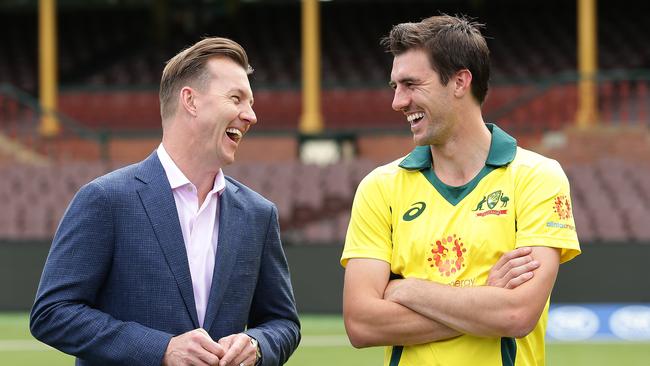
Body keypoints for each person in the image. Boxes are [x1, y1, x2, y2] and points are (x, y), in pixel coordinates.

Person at [30, 37, 300, 366]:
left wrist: (257, 344)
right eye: (237, 98)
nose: (251, 116)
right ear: (191, 101)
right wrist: (161, 349)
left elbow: (283, 323)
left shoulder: (258, 214)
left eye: (251, 102)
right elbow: (52, 313)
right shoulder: (105, 199)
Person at [341, 15, 580, 365]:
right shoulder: (379, 187)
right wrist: (484, 300)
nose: (398, 102)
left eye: (410, 84)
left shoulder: (538, 177)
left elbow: (516, 315)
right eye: (395, 86)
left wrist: (406, 289)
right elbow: (361, 324)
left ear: (459, 81)